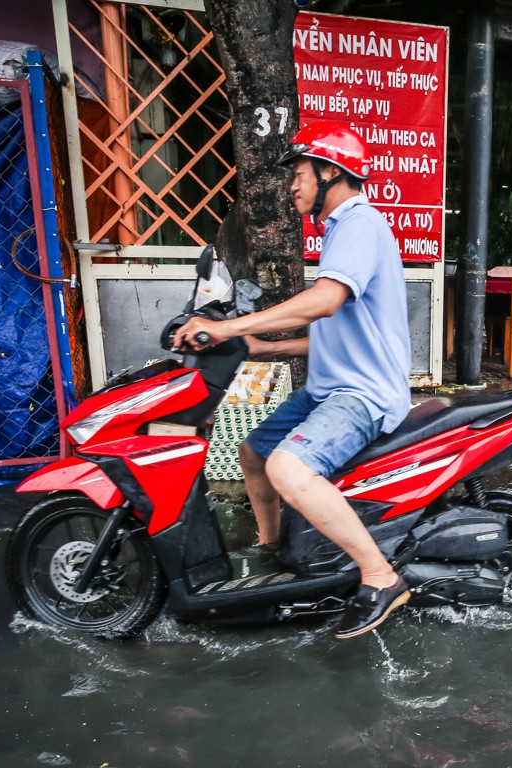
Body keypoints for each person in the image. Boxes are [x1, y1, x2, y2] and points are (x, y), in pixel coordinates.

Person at [171, 121, 413, 639]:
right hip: (328, 391)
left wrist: (229, 326)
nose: (293, 185)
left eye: (300, 174)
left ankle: (381, 576)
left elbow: (325, 302)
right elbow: (337, 331)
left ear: (330, 172)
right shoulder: (338, 233)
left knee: (289, 467)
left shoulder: (359, 224)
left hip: (360, 396)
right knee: (253, 451)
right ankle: (271, 551)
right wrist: (259, 346)